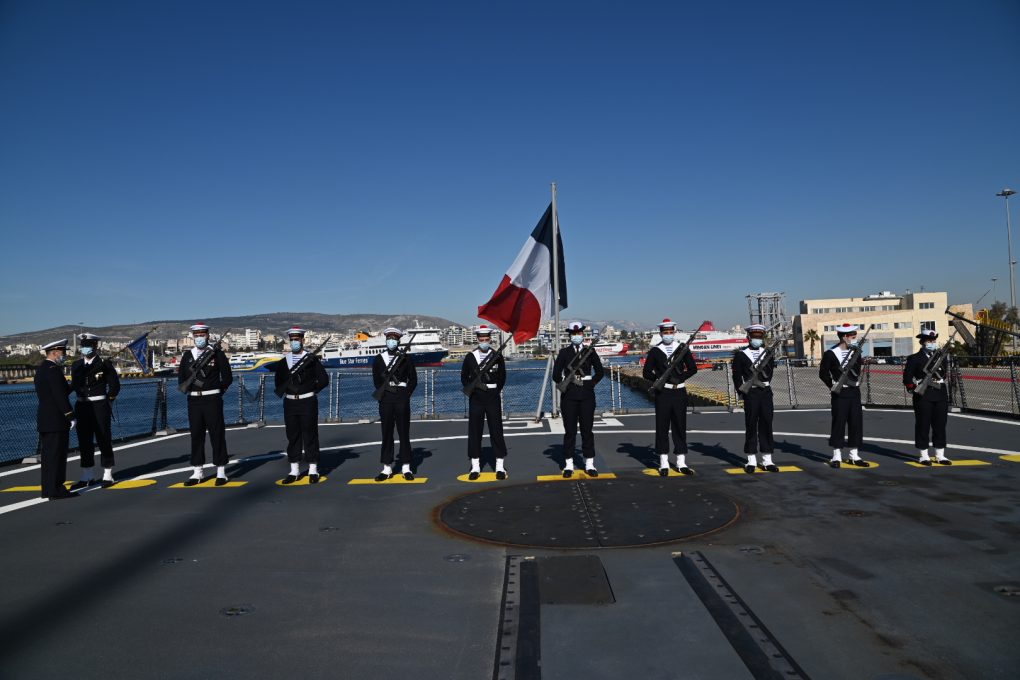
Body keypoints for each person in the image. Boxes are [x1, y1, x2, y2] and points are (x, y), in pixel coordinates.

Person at [272, 327, 330, 483]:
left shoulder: (311, 359)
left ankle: (312, 469)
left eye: (297, 339)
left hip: (307, 401)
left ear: (303, 340)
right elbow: (278, 383)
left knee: (310, 434)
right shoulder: (284, 362)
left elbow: (324, 379)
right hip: (290, 402)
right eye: (292, 339)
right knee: (292, 435)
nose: (294, 342)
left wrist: (311, 390)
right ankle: (294, 470)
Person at [178, 323, 233, 485]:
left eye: (202, 334)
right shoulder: (188, 355)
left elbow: (227, 377)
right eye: (196, 335)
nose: (199, 337)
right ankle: (197, 471)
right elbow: (182, 378)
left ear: (208, 335)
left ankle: (221, 471)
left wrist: (217, 390)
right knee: (196, 435)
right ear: (193, 336)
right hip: (194, 400)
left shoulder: (216, 354)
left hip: (212, 399)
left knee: (217, 434)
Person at [642, 318, 698, 475]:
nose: (668, 335)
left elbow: (693, 368)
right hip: (664, 393)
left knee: (680, 427)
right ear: (660, 334)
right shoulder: (655, 351)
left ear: (674, 332)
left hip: (679, 391)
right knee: (662, 428)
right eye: (665, 332)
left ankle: (681, 462)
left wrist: (680, 378)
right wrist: (659, 380)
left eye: (670, 332)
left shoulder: (682, 349)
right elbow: (646, 372)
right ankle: (664, 463)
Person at [553, 321, 605, 477]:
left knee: (587, 431)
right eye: (574, 334)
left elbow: (600, 372)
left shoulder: (590, 352)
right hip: (569, 396)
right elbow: (555, 375)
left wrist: (590, 384)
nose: (576, 336)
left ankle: (589, 464)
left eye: (579, 333)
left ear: (583, 334)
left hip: (586, 396)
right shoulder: (564, 353)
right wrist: (568, 382)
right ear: (570, 335)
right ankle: (569, 464)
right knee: (570, 431)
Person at [69, 333, 121, 489]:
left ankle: (107, 473)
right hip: (82, 406)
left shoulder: (104, 364)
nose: (85, 348)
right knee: (84, 441)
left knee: (103, 439)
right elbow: (74, 385)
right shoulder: (76, 365)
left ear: (95, 347)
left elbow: (115, 386)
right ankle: (87, 475)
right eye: (83, 345)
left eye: (88, 345)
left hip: (99, 406)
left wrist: (108, 401)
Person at [818, 323, 870, 468]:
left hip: (854, 392)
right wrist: (832, 385)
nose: (854, 339)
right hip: (840, 393)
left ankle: (854, 455)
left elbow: (856, 372)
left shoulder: (856, 352)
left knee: (855, 423)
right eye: (852, 337)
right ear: (844, 337)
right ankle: (837, 456)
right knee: (839, 423)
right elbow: (823, 373)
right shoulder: (830, 353)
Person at [460, 325, 508, 480]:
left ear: (490, 339)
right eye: (482, 339)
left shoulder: (497, 356)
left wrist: (494, 390)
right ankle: (475, 467)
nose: (484, 342)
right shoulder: (470, 357)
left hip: (492, 397)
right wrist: (475, 390)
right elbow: (464, 378)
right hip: (477, 398)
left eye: (487, 339)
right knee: (475, 432)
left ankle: (499, 466)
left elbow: (502, 377)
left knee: (496, 431)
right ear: (477, 339)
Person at [372, 327, 418, 481]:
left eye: (394, 339)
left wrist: (406, 393)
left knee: (404, 433)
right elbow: (377, 381)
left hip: (401, 397)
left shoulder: (405, 358)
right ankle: (386, 468)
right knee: (386, 433)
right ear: (386, 340)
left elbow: (413, 379)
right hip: (386, 398)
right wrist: (384, 392)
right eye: (389, 338)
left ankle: (406, 467)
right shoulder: (379, 359)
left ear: (398, 341)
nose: (391, 341)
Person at [731, 324, 778, 474]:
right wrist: (743, 390)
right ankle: (751, 459)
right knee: (751, 425)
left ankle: (767, 459)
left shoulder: (767, 353)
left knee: (766, 424)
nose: (757, 339)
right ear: (748, 337)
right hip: (751, 393)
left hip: (765, 392)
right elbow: (737, 376)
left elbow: (770, 373)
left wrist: (762, 380)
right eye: (755, 337)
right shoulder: (741, 355)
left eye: (759, 337)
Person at [34, 339, 77, 499]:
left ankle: (47, 489)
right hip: (56, 420)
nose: (64, 355)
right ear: (55, 352)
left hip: (45, 419)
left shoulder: (42, 369)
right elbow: (59, 396)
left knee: (48, 457)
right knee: (57, 456)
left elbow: (60, 391)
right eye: (63, 352)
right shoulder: (53, 370)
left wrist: (74, 382)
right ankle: (57, 490)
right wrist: (70, 415)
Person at [903, 329, 952, 466]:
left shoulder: (940, 357)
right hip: (923, 395)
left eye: (934, 341)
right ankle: (923, 455)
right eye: (930, 341)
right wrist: (915, 388)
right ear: (923, 342)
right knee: (923, 425)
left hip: (940, 393)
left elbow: (944, 375)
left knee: (940, 425)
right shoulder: (914, 358)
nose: (933, 343)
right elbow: (907, 378)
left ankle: (940, 455)